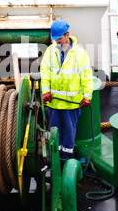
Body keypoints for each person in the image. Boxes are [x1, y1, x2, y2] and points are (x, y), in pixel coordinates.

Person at [40, 20, 93, 160]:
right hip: (54, 102)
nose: (57, 42)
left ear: (67, 35)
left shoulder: (80, 54)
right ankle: (54, 157)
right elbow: (44, 72)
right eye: (55, 39)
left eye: (60, 39)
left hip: (71, 103)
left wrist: (88, 96)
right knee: (54, 131)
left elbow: (87, 76)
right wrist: (45, 91)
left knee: (69, 131)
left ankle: (67, 157)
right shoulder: (50, 51)